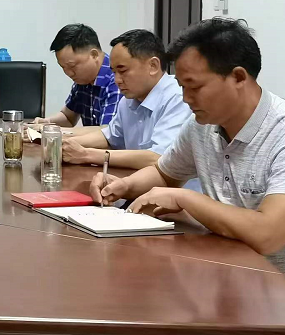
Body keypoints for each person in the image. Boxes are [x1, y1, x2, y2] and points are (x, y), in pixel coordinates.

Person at [91, 19, 285, 272]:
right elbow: (165, 173)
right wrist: (124, 185)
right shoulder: (202, 126)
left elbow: (269, 235)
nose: (185, 98)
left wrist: (184, 198)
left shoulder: (279, 132)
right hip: (219, 268)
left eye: (194, 86)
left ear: (238, 77)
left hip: (271, 282)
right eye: (182, 87)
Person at [62, 29, 191, 170]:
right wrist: (62, 144)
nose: (117, 80)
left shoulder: (178, 98)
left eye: (122, 71)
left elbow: (159, 158)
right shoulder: (128, 100)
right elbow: (109, 137)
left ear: (153, 66)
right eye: (114, 72)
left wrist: (86, 155)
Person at [34, 23, 122, 130]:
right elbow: (68, 117)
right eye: (63, 67)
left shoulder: (116, 80)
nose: (69, 73)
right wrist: (46, 122)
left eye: (72, 66)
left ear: (94, 55)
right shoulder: (83, 80)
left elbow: (107, 132)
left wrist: (52, 131)